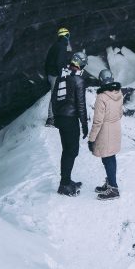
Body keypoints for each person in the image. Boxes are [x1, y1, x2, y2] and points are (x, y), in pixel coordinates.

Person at [52, 51, 88, 196]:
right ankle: (64, 184)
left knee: (67, 150)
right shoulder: (78, 81)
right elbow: (81, 105)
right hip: (71, 119)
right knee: (72, 151)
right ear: (81, 65)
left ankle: (66, 180)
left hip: (61, 118)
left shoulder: (62, 77)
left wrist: (56, 117)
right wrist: (84, 125)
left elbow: (54, 99)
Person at [88, 68, 123, 200]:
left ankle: (113, 189)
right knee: (111, 157)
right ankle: (110, 183)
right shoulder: (118, 92)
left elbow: (97, 121)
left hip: (105, 131)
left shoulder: (101, 97)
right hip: (115, 128)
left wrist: (91, 139)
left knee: (107, 158)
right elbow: (120, 113)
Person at [44, 26, 72, 127]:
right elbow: (60, 62)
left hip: (51, 74)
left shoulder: (55, 46)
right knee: (55, 96)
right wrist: (63, 74)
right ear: (66, 36)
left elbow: (47, 62)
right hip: (56, 75)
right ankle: (51, 119)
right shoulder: (61, 47)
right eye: (68, 35)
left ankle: (55, 117)